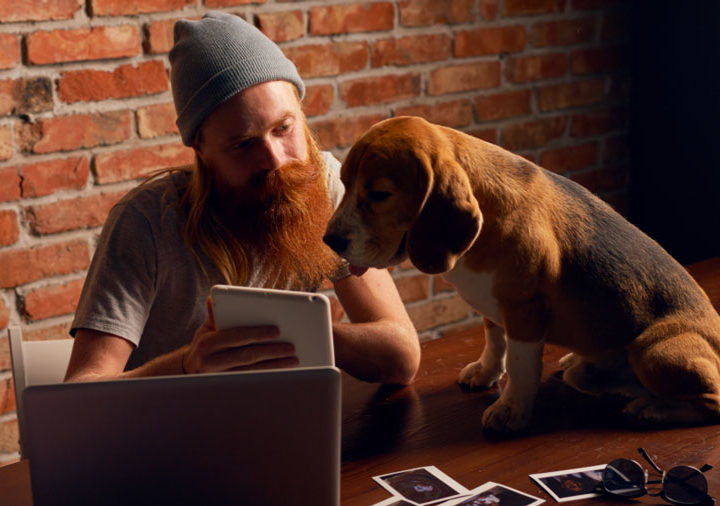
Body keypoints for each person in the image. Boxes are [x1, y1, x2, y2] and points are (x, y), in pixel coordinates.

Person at [64, 11, 420, 384]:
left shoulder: (326, 186)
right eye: (244, 144)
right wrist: (187, 366)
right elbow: (79, 393)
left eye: (283, 128)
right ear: (201, 149)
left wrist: (309, 335)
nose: (275, 159)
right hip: (162, 437)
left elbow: (401, 358)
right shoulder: (146, 222)